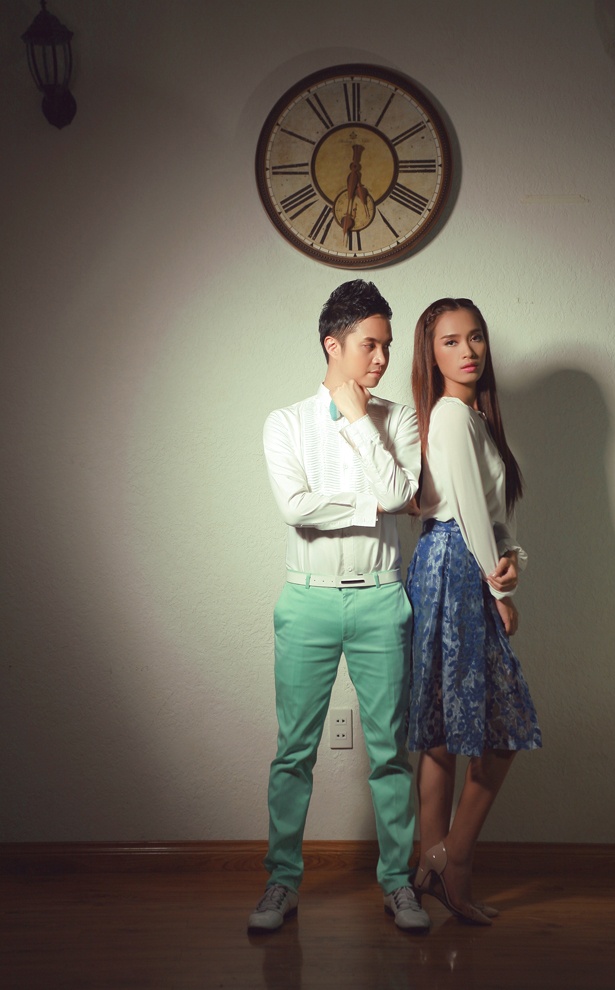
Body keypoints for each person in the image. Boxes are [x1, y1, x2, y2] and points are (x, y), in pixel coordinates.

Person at [248, 280, 430, 933]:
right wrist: (373, 503)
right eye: (369, 344)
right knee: (293, 751)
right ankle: (281, 881)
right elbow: (296, 509)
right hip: (308, 601)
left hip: (382, 598)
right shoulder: (285, 423)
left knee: (390, 752)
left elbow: (401, 496)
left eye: (387, 345)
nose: (382, 358)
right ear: (334, 344)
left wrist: (359, 420)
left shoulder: (399, 420)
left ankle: (397, 883)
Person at [406, 297, 542, 925]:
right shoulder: (450, 415)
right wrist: (499, 590)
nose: (468, 351)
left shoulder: (471, 418)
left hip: (453, 561)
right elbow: (464, 512)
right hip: (455, 564)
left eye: (476, 338)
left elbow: (487, 512)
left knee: (443, 728)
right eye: (451, 341)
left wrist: (509, 557)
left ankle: (434, 862)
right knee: (498, 726)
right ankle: (453, 860)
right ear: (430, 355)